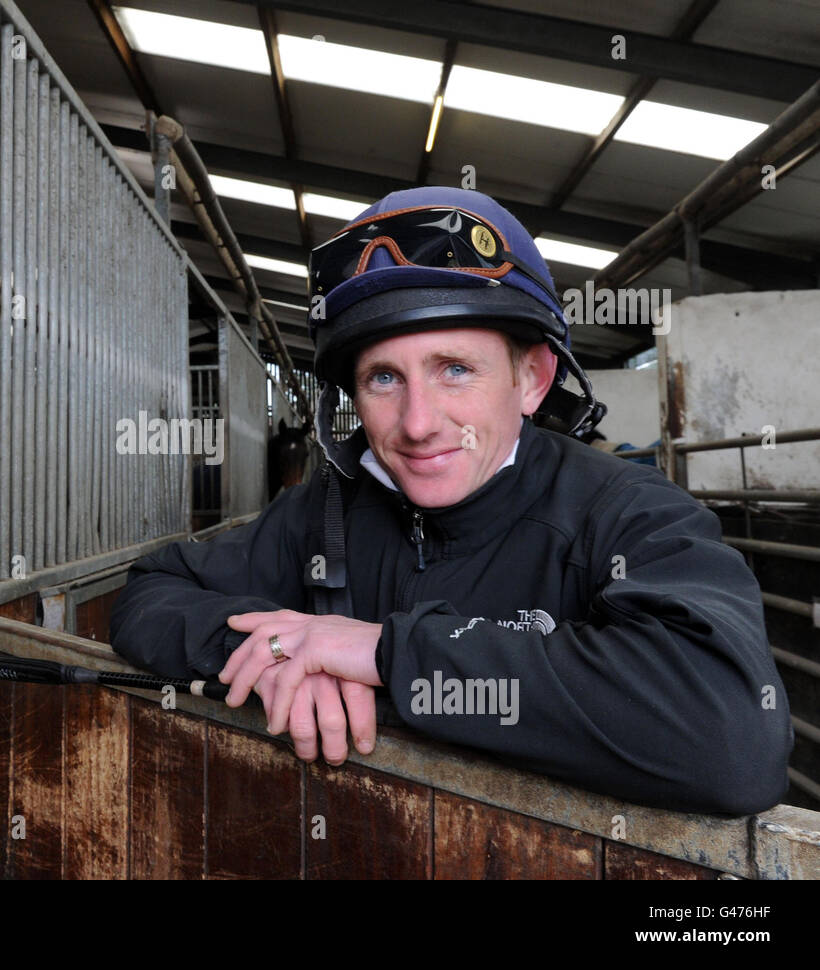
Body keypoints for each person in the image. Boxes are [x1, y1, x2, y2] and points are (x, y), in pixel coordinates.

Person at [110, 186, 793, 816]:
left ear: (532, 379)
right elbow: (150, 594)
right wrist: (280, 657)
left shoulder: (626, 512)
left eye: (455, 370)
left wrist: (385, 656)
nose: (416, 422)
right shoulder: (327, 510)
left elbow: (729, 734)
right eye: (383, 378)